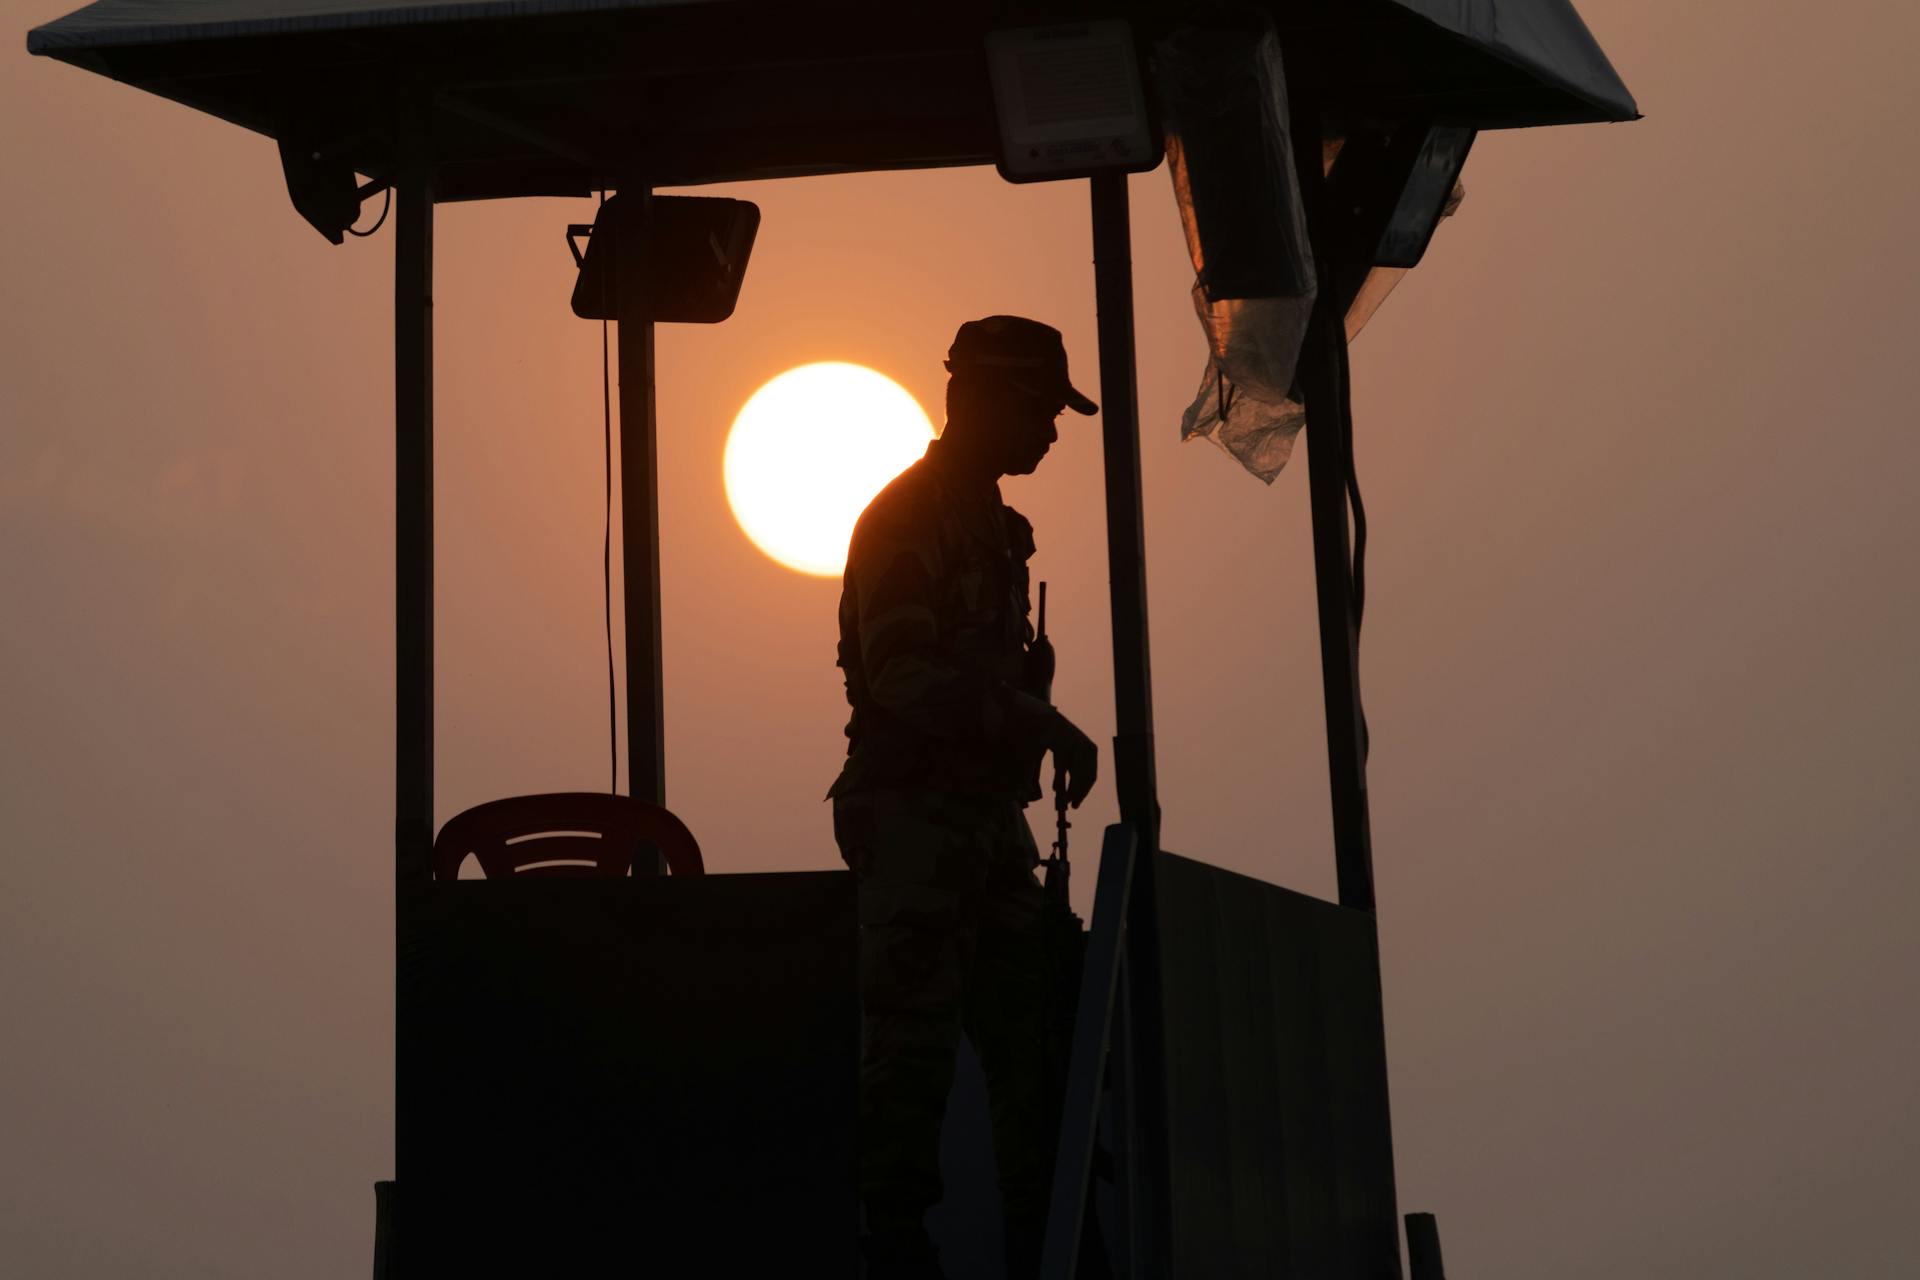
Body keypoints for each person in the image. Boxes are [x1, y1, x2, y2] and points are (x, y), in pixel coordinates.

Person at [828, 316, 1101, 1279]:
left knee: (1036, 1051)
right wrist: (1030, 721)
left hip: (983, 826)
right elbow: (898, 673)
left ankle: (1049, 1240)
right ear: (990, 399)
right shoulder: (908, 517)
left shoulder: (988, 527)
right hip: (916, 820)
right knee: (911, 1054)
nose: (1054, 433)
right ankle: (894, 1251)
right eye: (1042, 408)